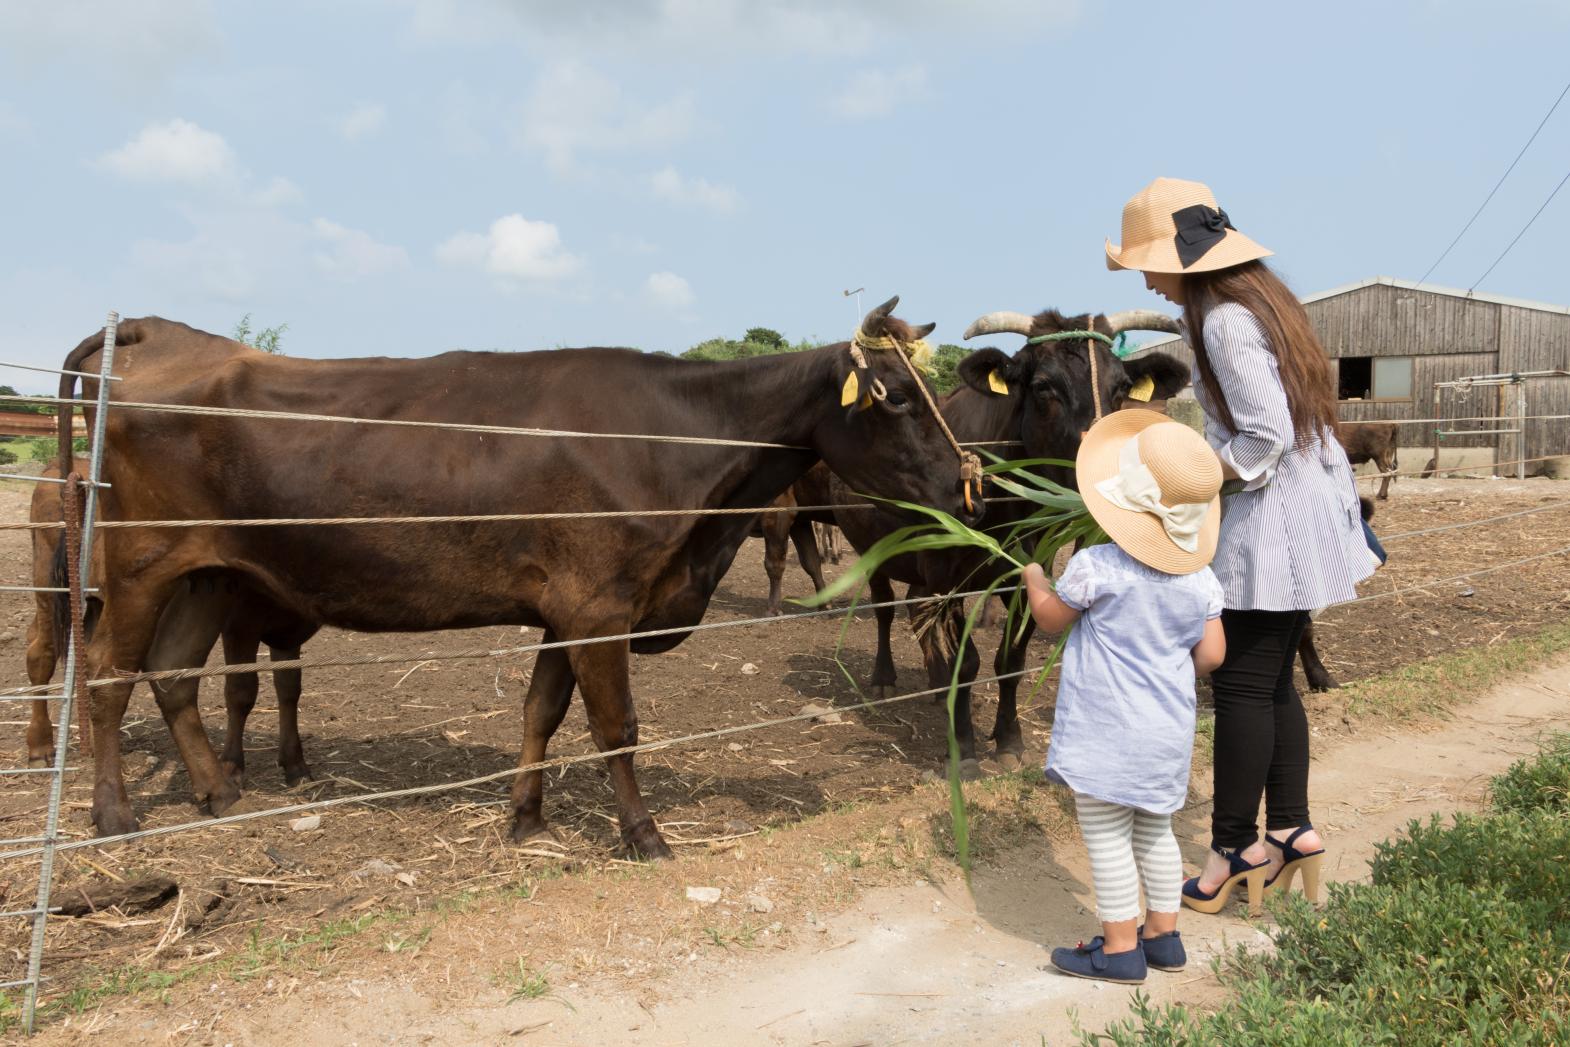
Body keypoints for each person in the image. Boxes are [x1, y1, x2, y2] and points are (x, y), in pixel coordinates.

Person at [1104, 177, 1375, 912]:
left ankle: (1233, 851)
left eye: (1149, 262)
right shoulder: (1261, 305)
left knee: (1242, 687)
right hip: (1305, 502)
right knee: (1274, 675)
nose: (1148, 279)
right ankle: (1290, 829)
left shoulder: (1222, 321)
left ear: (1183, 260)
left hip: (1272, 515)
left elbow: (1265, 434)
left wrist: (1184, 477)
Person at [1022, 410, 1226, 984]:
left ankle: (1117, 949)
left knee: (1107, 834)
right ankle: (1163, 938)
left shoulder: (1096, 566)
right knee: (1155, 830)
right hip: (1167, 731)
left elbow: (1050, 621)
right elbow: (1211, 657)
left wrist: (1036, 578)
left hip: (1107, 732)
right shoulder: (1202, 579)